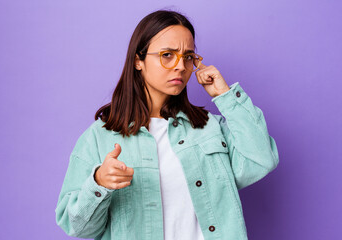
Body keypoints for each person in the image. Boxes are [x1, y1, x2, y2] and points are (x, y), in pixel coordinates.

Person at [55, 9, 279, 240]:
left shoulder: (210, 127)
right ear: (138, 61)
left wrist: (226, 96)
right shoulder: (100, 137)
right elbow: (78, 228)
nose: (181, 66)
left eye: (188, 56)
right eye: (167, 55)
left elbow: (261, 160)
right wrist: (99, 183)